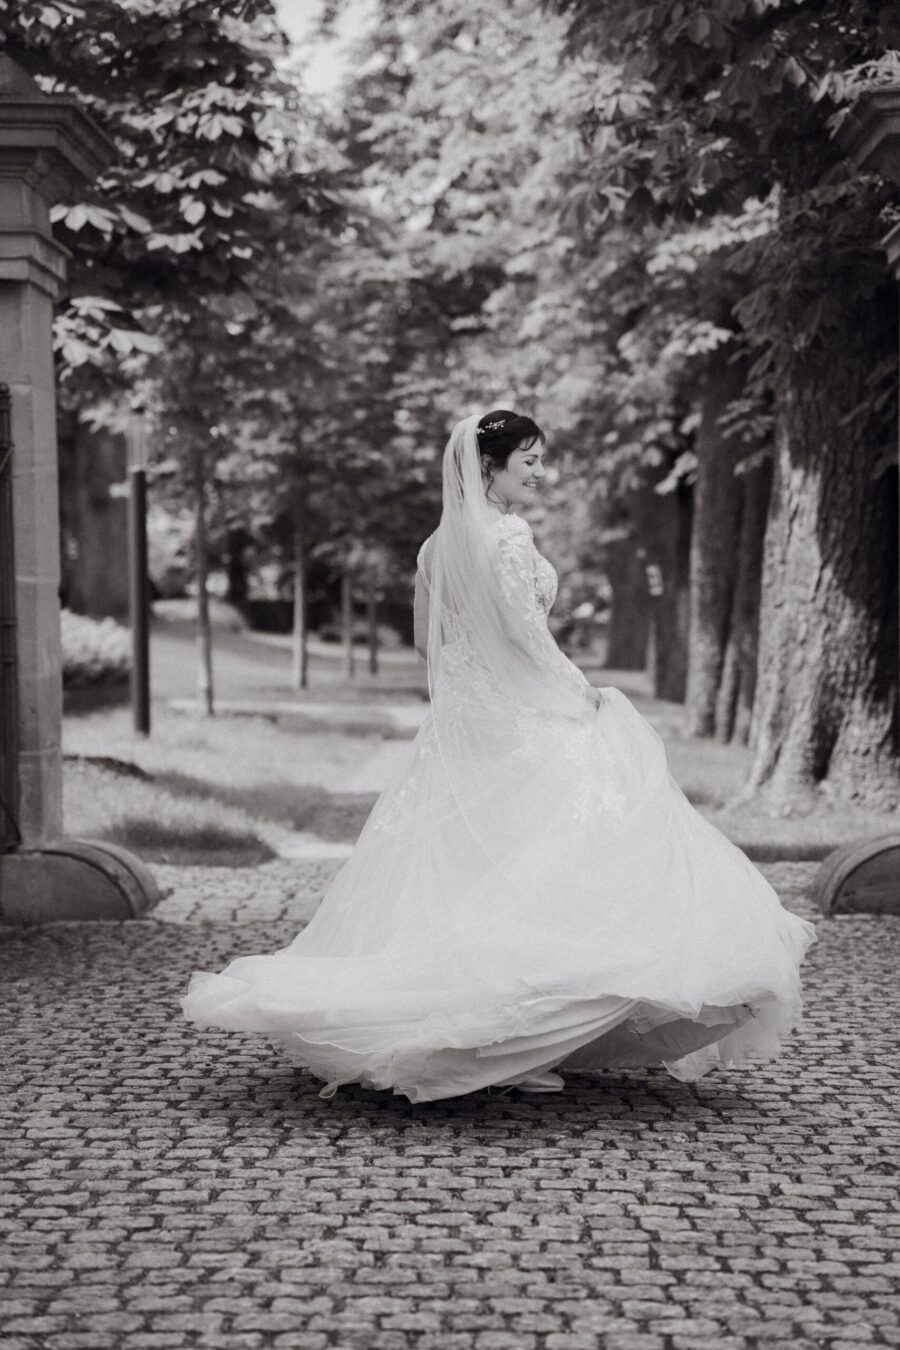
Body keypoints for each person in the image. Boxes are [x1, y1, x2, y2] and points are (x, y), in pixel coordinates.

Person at [181, 409, 817, 1103]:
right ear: (489, 466)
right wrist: (582, 695)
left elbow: (431, 646)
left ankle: (506, 1031)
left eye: (541, 460)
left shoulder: (435, 547)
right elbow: (524, 638)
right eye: (530, 462)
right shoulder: (509, 535)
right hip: (524, 718)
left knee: (479, 870)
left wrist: (475, 699)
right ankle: (522, 1027)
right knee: (570, 853)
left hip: (473, 725)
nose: (541, 474)